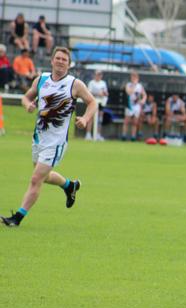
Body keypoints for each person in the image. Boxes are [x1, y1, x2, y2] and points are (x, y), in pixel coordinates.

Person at [1, 47, 97, 227]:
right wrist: (28, 104)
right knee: (43, 177)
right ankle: (70, 186)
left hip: (56, 142)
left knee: (36, 179)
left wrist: (85, 118)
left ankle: (17, 218)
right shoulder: (41, 80)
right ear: (52, 61)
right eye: (58, 58)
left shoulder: (74, 84)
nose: (61, 62)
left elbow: (92, 102)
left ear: (69, 65)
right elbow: (26, 97)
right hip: (39, 138)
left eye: (64, 60)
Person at [122, 71, 146, 141]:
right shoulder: (128, 85)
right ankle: (124, 135)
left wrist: (143, 100)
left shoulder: (140, 86)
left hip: (136, 106)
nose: (133, 78)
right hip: (129, 105)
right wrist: (133, 85)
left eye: (135, 77)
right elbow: (129, 92)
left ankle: (133, 136)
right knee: (127, 121)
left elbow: (144, 94)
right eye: (132, 77)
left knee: (135, 122)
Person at [85, 70, 109, 141]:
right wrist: (98, 94)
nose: (98, 76)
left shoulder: (103, 83)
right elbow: (88, 93)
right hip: (92, 103)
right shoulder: (91, 83)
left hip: (101, 103)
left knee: (100, 119)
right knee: (90, 118)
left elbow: (106, 93)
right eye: (97, 74)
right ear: (95, 75)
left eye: (100, 75)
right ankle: (88, 134)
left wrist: (104, 93)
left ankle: (98, 134)